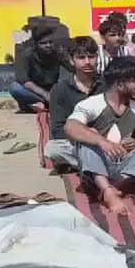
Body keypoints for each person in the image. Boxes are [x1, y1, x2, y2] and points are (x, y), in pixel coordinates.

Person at [64, 56, 135, 216]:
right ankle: (107, 191)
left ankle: (119, 184)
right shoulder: (93, 103)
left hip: (128, 165)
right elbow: (70, 126)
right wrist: (102, 142)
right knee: (87, 137)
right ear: (119, 83)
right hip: (99, 164)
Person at [45, 36, 102, 169]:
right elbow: (58, 129)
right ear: (71, 60)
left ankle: (87, 165)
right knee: (52, 149)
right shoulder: (60, 89)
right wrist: (85, 134)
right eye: (81, 58)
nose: (87, 62)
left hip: (105, 138)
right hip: (75, 140)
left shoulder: (107, 85)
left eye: (91, 57)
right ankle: (96, 164)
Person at [10, 23, 64, 112]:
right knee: (15, 88)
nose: (48, 45)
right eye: (43, 43)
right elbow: (24, 81)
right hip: (34, 92)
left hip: (52, 90)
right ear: (35, 44)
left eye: (50, 42)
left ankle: (40, 106)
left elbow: (73, 68)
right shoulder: (25, 55)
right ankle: (45, 104)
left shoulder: (57, 52)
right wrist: (45, 95)